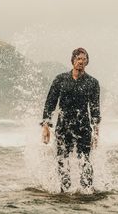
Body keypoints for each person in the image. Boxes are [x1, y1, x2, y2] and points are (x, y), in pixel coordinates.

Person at [40, 47, 101, 192]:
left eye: (84, 59)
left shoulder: (92, 83)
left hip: (83, 126)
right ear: (72, 60)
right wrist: (46, 126)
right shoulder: (60, 79)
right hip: (64, 126)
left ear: (87, 62)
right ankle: (64, 190)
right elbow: (50, 103)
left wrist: (96, 132)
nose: (81, 61)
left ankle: (87, 191)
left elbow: (95, 109)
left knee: (85, 160)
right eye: (78, 58)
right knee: (62, 159)